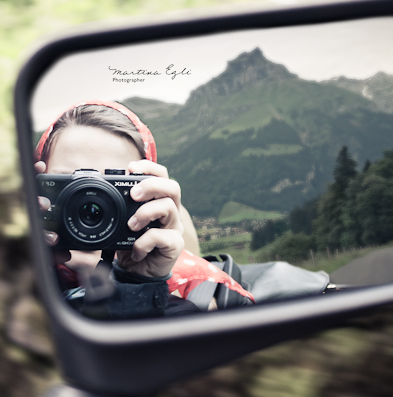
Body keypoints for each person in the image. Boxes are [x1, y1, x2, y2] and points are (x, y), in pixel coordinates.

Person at [34, 101, 253, 318]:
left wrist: (139, 283)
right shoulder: (11, 267)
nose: (89, 208)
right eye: (66, 183)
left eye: (111, 186)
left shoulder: (191, 302)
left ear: (148, 197)